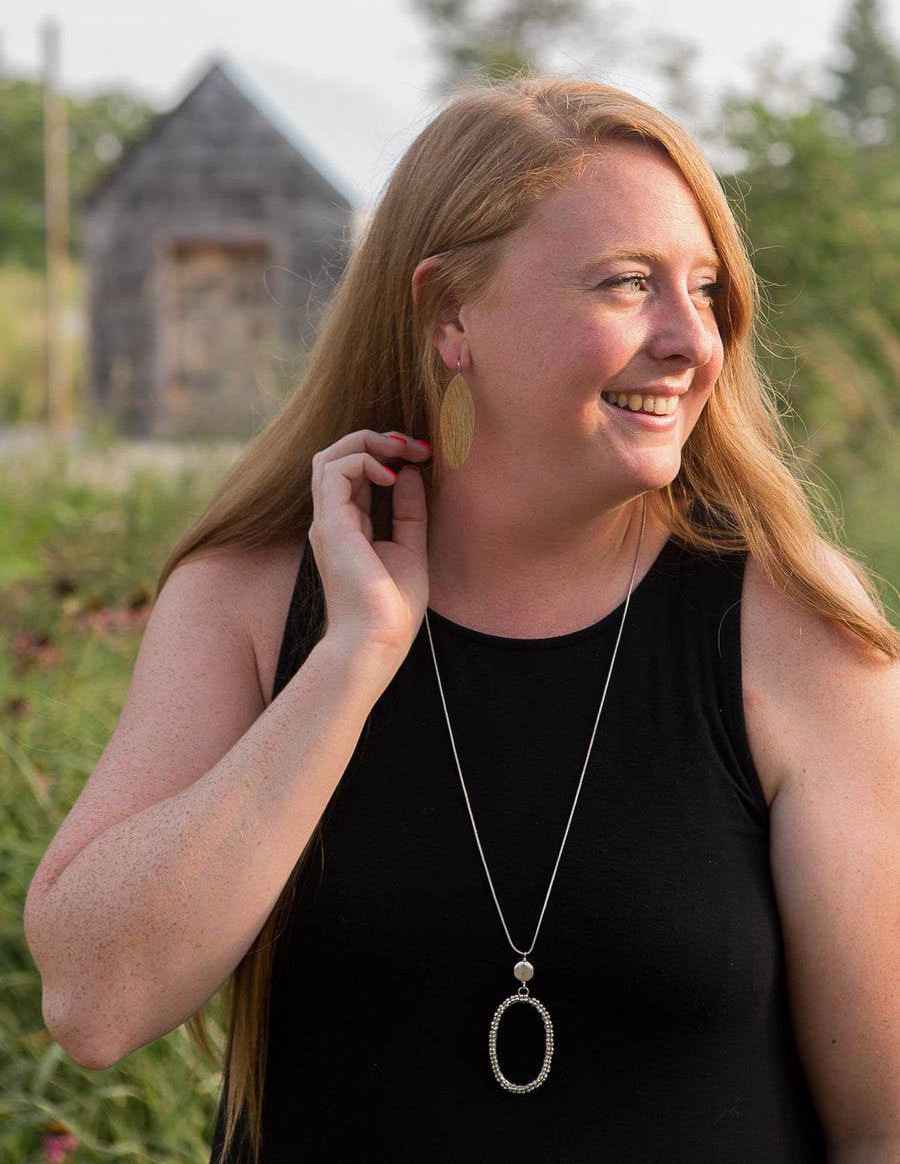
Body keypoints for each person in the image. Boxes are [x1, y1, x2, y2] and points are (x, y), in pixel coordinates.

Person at [25, 77, 900, 1163]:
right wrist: (351, 659)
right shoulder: (251, 595)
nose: (691, 340)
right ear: (449, 316)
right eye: (627, 284)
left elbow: (884, 1127)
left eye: (707, 288)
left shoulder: (788, 619)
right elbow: (93, 1004)